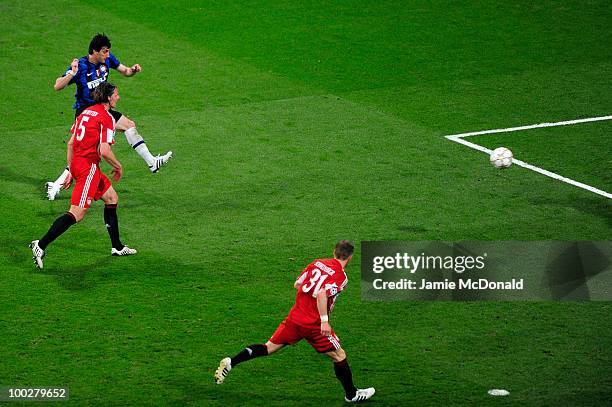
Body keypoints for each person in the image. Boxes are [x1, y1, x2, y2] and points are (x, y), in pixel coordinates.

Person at [214, 240, 375, 403]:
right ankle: (351, 395)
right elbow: (321, 294)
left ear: (334, 252)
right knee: (339, 356)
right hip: (314, 325)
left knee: (268, 347)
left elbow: (297, 284)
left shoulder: (317, 263)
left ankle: (231, 362)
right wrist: (324, 321)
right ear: (350, 257)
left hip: (295, 317)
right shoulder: (341, 277)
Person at [45, 33, 172, 200]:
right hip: (86, 113)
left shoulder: (107, 60)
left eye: (108, 51)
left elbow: (125, 71)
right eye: (104, 51)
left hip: (103, 110)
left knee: (129, 125)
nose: (108, 54)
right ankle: (56, 185)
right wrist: (72, 74)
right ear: (95, 51)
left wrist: (133, 70)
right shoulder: (81, 66)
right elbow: (57, 86)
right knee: (83, 152)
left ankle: (152, 163)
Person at [30, 82, 137, 269]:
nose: (118, 97)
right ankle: (40, 245)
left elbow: (71, 143)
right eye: (116, 95)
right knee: (76, 214)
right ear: (108, 98)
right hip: (88, 169)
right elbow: (104, 151)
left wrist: (71, 170)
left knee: (111, 197)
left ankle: (117, 247)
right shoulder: (106, 118)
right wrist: (118, 166)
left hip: (79, 163)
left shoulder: (86, 112)